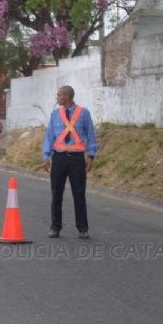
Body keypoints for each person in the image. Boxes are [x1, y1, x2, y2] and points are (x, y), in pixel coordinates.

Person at [42, 85, 98, 239]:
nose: (57, 97)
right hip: (59, 158)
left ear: (67, 96)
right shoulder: (55, 114)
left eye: (59, 95)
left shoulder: (84, 113)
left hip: (77, 159)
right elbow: (49, 137)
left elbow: (91, 136)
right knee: (56, 194)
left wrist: (91, 156)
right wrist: (46, 156)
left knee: (79, 194)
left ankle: (82, 228)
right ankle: (55, 227)